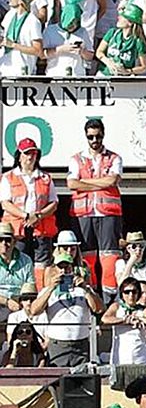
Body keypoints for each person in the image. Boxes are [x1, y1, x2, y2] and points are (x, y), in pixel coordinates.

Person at [66, 118, 123, 294]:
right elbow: (72, 184)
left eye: (98, 136)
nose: (94, 141)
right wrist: (102, 184)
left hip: (108, 213)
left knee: (109, 257)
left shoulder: (114, 157)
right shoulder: (76, 159)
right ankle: (89, 293)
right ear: (86, 137)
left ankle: (110, 297)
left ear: (103, 135)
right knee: (86, 257)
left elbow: (113, 180)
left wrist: (86, 183)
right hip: (83, 214)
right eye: (91, 137)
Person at [30, 250, 102, 367]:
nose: (64, 271)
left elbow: (98, 309)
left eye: (67, 267)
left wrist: (86, 289)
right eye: (60, 267)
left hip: (81, 345)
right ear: (55, 269)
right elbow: (34, 311)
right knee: (57, 381)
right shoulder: (47, 291)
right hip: (58, 344)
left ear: (72, 268)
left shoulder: (83, 289)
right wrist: (51, 288)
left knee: (83, 381)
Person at [0, 138, 58, 270]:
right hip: (17, 231)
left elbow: (53, 203)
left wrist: (38, 216)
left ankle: (40, 290)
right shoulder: (8, 177)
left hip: (40, 229)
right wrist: (26, 216)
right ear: (19, 156)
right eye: (27, 153)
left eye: (34, 153)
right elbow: (5, 204)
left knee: (42, 267)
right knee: (18, 264)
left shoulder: (45, 177)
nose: (31, 157)